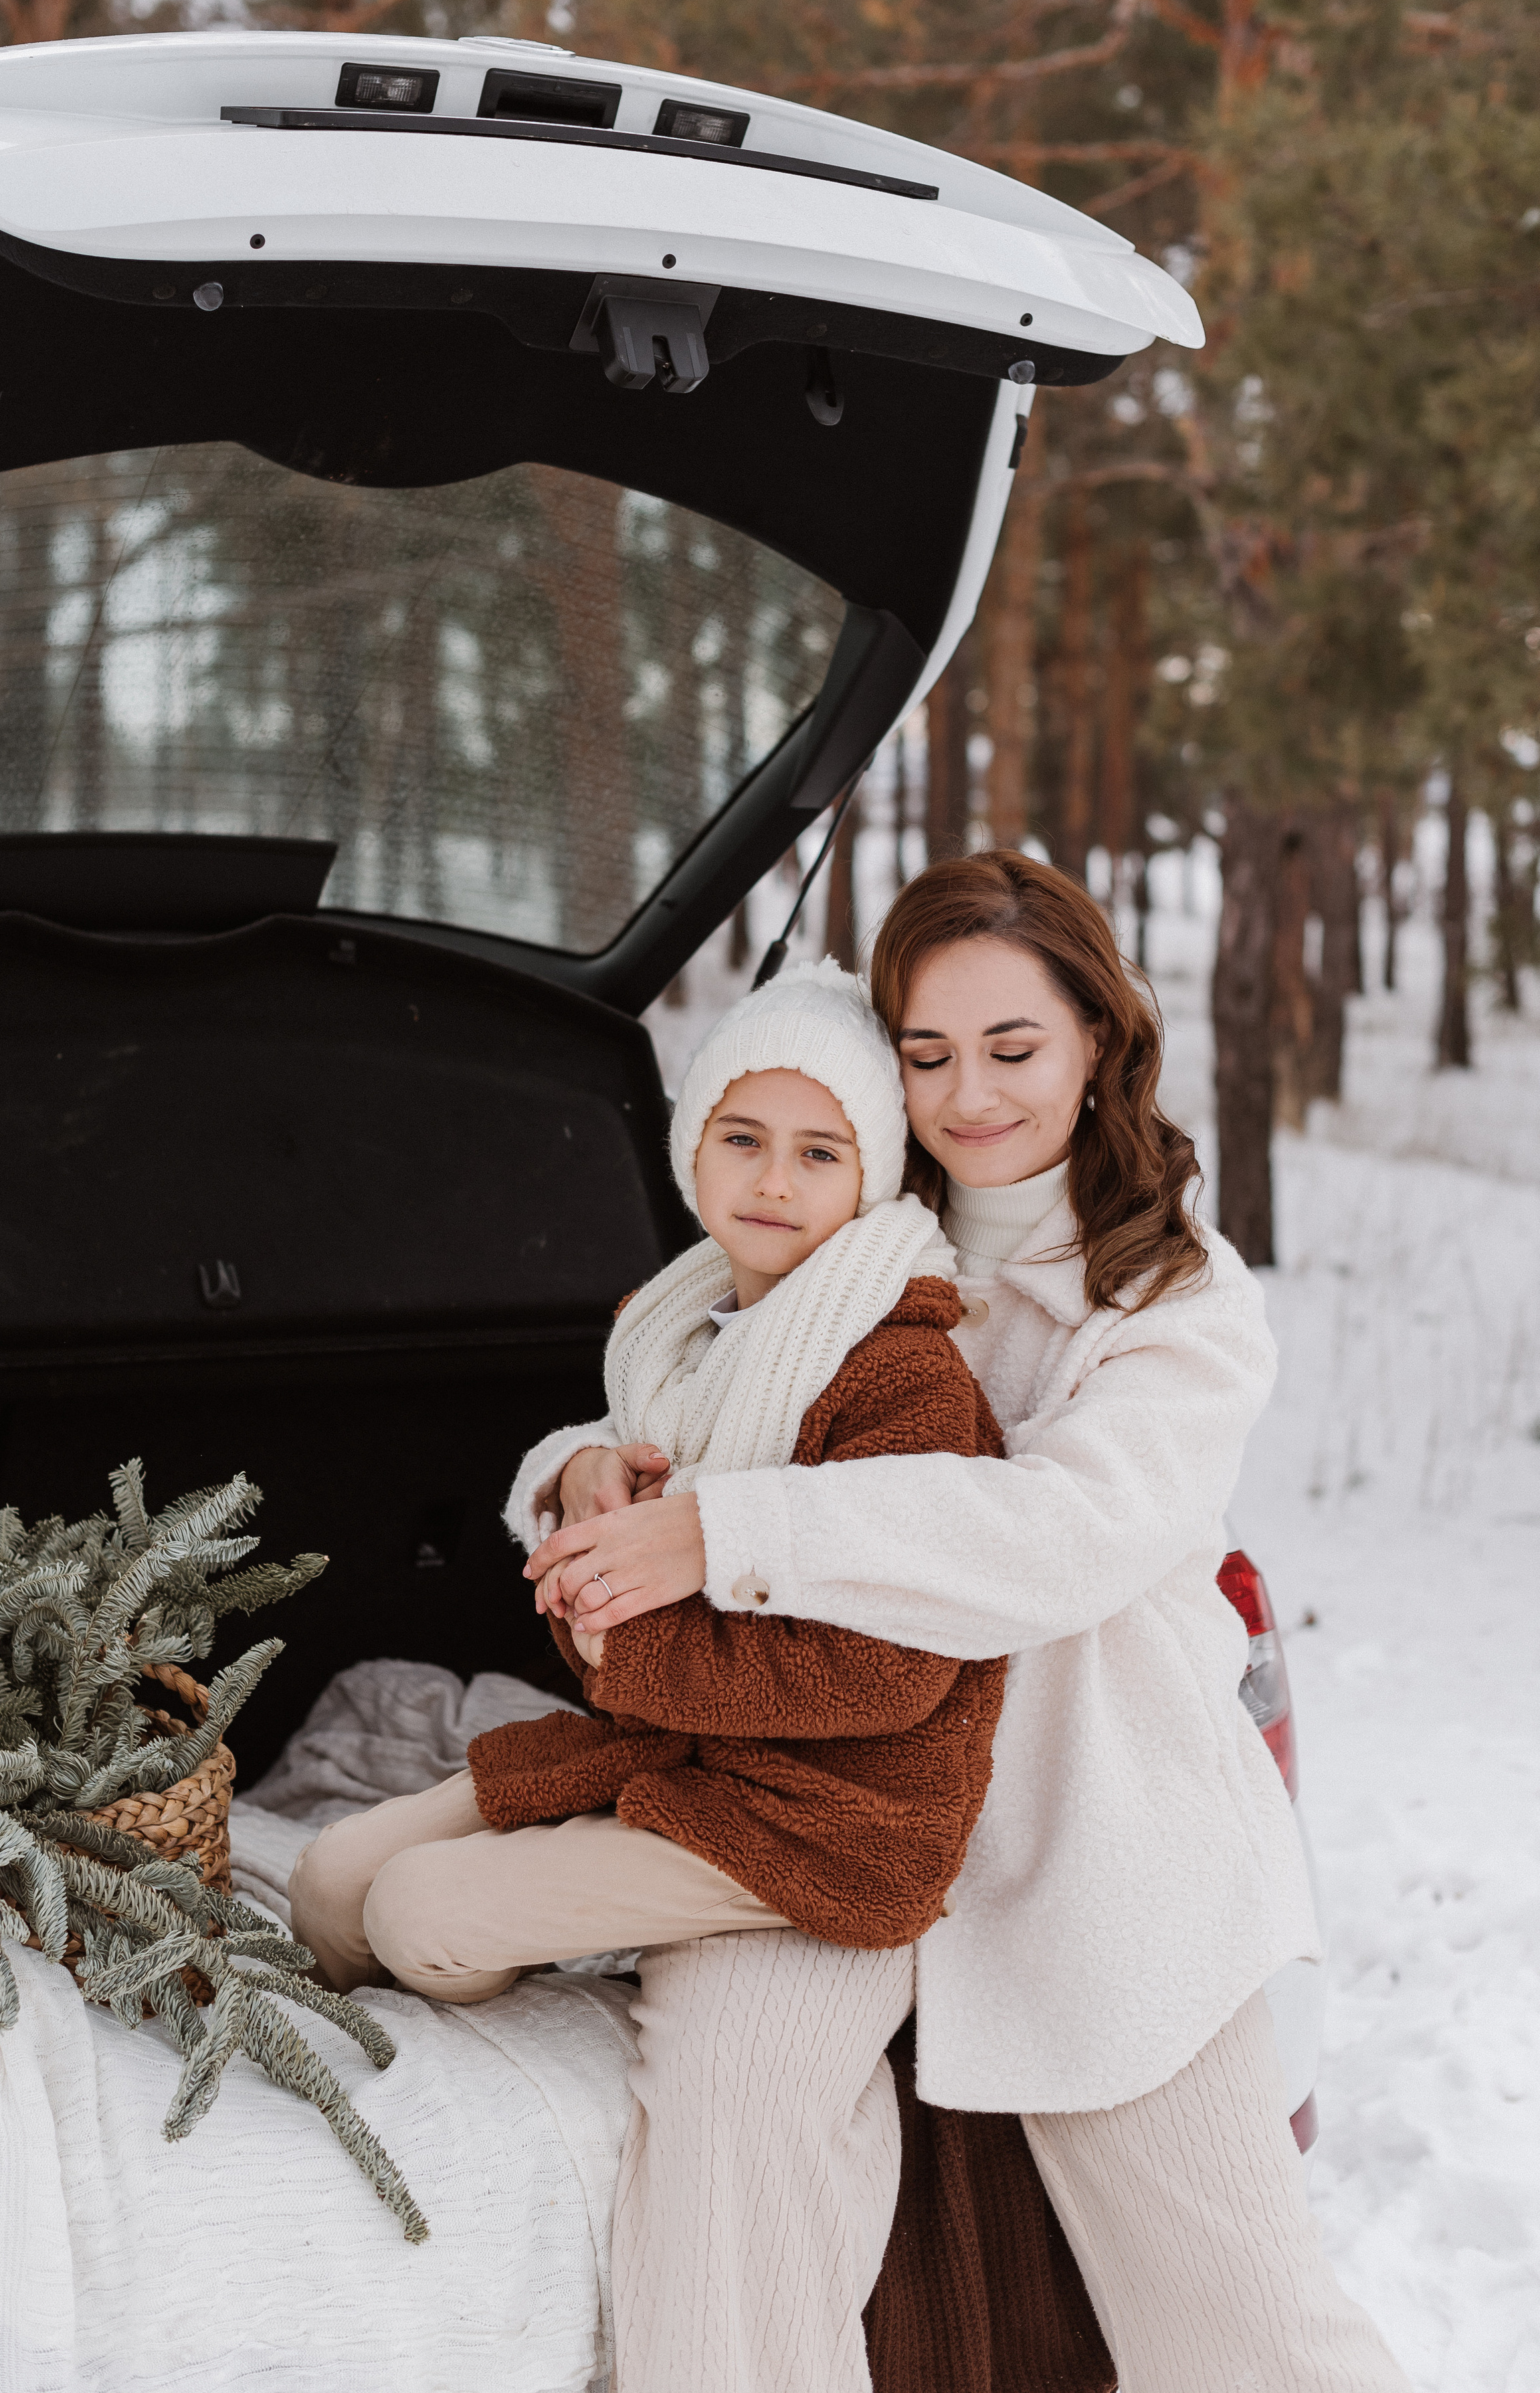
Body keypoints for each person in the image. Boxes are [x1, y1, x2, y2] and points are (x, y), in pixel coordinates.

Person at [524, 853, 1414, 2393]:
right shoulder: (837, 1223)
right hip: (826, 1821)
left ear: (1096, 1040)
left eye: (1012, 1049)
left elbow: (1060, 1535)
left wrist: (725, 1534)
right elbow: (657, 1379)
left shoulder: (1179, 1304)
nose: (969, 1095)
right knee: (726, 2172)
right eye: (925, 1057)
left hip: (1094, 1849)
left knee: (1242, 2332)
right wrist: (575, 1476)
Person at [288, 961, 1004, 2057]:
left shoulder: (902, 1377)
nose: (772, 1179)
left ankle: (487, 2093)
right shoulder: (681, 1330)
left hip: (829, 1815)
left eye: (819, 1153)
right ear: (692, 1146)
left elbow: (895, 1671)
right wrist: (582, 1481)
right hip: (675, 1750)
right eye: (742, 1137)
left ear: (875, 1173)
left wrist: (625, 1649)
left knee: (415, 1911)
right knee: (332, 1881)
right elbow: (627, 1525)